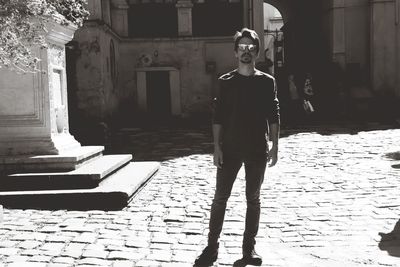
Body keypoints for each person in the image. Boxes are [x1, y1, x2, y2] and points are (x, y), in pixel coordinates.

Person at [194, 28, 280, 267]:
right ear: (235, 52)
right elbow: (218, 117)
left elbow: (273, 114)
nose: (246, 52)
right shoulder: (226, 82)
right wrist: (216, 147)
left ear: (256, 52)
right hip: (230, 148)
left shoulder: (266, 82)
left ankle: (248, 249)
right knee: (220, 198)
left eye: (251, 48)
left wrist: (275, 145)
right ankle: (212, 246)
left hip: (256, 149)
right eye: (242, 47)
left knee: (253, 199)